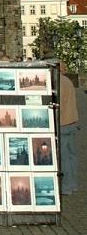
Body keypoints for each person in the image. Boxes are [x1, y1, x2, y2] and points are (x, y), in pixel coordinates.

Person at [59, 61, 79, 195]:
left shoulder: (59, 81)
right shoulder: (67, 80)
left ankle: (66, 186)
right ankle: (73, 184)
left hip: (64, 123)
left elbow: (59, 105)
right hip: (72, 121)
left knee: (64, 157)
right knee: (71, 156)